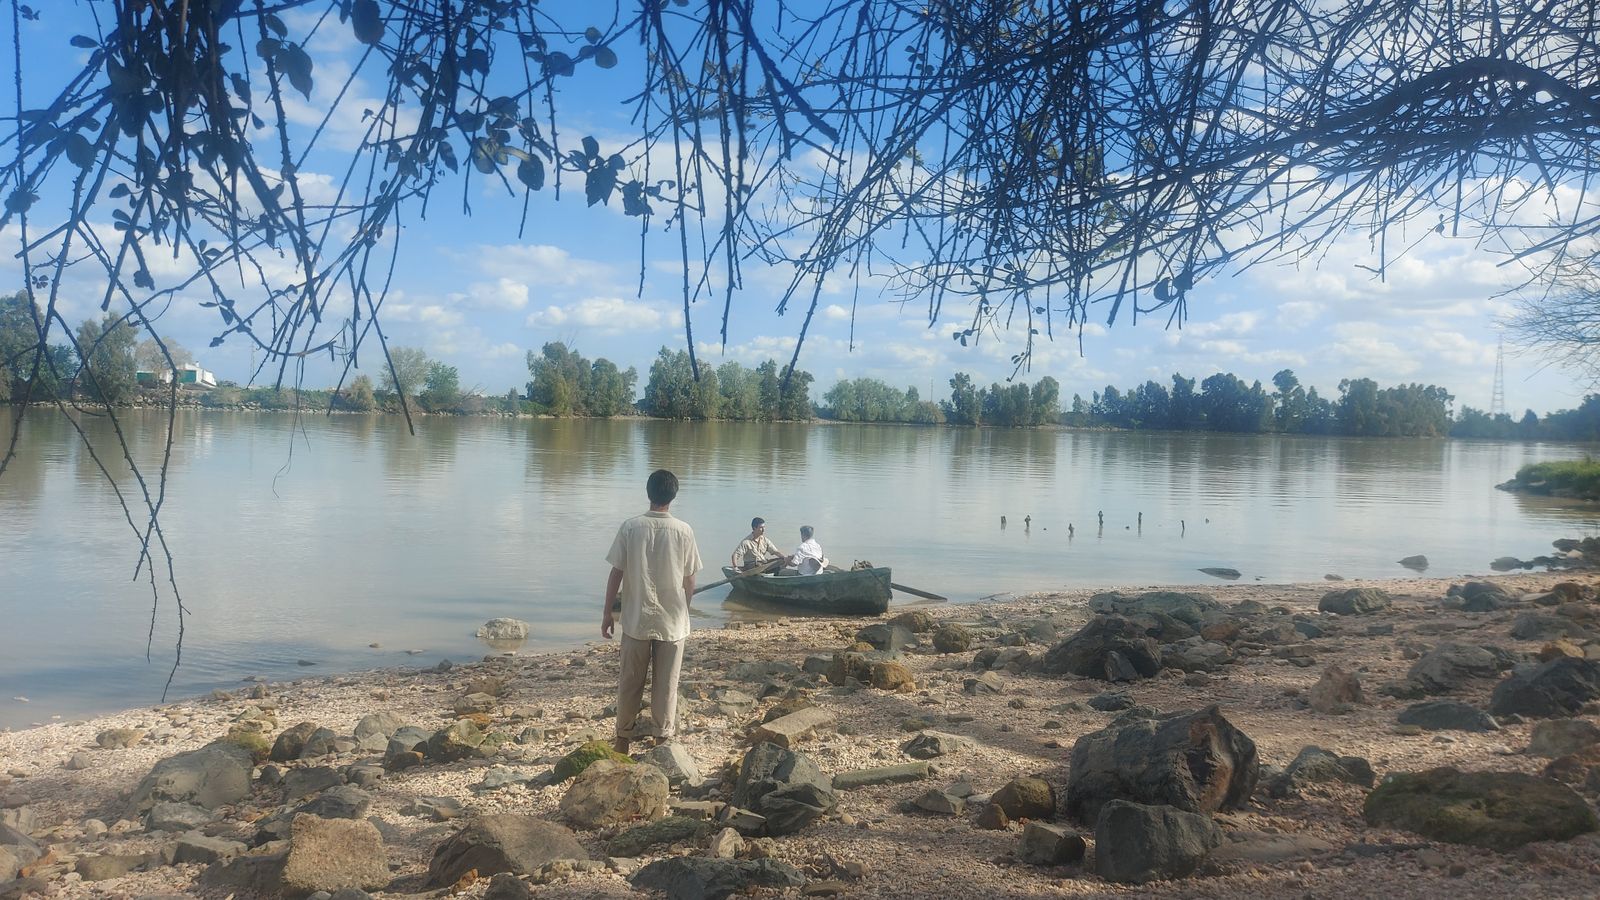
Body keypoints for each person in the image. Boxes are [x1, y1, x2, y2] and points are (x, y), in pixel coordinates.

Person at [601, 469, 702, 753]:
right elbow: (690, 579)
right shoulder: (684, 530)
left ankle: (622, 740)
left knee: (630, 682)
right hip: (672, 621)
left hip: (636, 619)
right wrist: (686, 610)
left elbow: (616, 573)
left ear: (648, 494)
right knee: (667, 684)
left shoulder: (631, 527)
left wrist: (608, 613)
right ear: (673, 496)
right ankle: (662, 741)